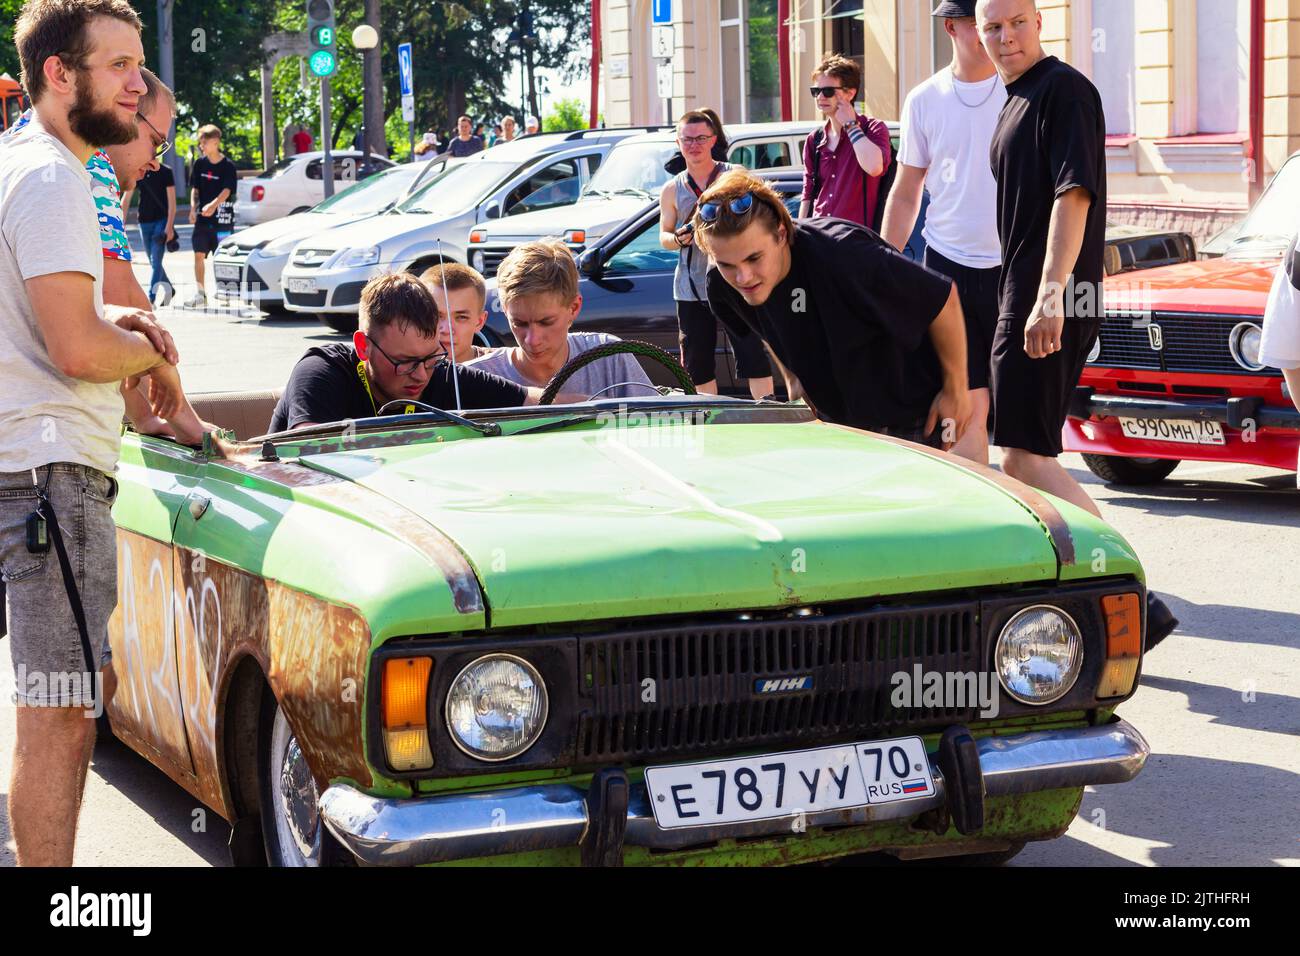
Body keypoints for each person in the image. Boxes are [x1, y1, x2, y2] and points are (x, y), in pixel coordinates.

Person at [2, 0, 184, 868]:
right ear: (58, 75)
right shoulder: (54, 176)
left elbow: (49, 319)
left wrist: (121, 328)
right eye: (116, 65)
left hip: (26, 465)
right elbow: (76, 349)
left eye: (137, 64)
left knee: (55, 700)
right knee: (62, 709)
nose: (135, 83)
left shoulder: (22, 164)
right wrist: (142, 347)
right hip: (48, 476)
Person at [978, 0, 1179, 647]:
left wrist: (1049, 295)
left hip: (1049, 298)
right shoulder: (1013, 100)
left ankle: (1131, 598)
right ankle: (1083, 598)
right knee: (1019, 458)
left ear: (1039, 21)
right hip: (1022, 294)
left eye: (1015, 23)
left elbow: (1075, 195)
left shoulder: (1065, 91)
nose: (1005, 37)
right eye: (993, 27)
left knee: (1026, 458)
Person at [695, 170, 971, 446]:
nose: (744, 277)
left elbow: (943, 298)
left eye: (754, 258)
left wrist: (956, 390)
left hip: (908, 413)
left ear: (780, 233)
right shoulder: (722, 285)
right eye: (727, 265)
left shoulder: (845, 255)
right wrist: (794, 382)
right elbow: (764, 326)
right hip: (836, 420)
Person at [881, 0, 1004, 464]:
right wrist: (883, 261)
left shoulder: (1023, 91)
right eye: (981, 24)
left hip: (1013, 266)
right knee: (967, 404)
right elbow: (908, 189)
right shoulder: (925, 99)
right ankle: (977, 516)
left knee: (1013, 416)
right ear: (952, 27)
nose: (994, 35)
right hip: (948, 266)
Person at [269, 273, 559, 431]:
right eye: (405, 362)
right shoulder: (321, 372)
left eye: (431, 356)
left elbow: (541, 401)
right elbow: (307, 450)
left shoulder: (442, 376)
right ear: (363, 347)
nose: (421, 375)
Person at [658, 107, 773, 399]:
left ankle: (769, 415)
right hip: (691, 288)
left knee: (753, 355)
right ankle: (710, 425)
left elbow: (764, 212)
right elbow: (664, 237)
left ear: (713, 140)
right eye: (687, 140)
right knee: (698, 365)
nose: (694, 145)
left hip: (737, 281)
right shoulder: (672, 189)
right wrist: (679, 239)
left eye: (700, 138)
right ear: (678, 143)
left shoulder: (733, 175)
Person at [467, 239, 657, 400]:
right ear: (505, 310)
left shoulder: (610, 357)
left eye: (546, 322)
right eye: (520, 323)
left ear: (574, 308)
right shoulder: (475, 379)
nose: (532, 340)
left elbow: (656, 427)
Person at [800, 53, 892, 229]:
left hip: (857, 242)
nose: (820, 97)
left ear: (850, 93)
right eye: (816, 91)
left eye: (828, 91)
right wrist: (799, 235)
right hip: (819, 238)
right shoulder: (815, 139)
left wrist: (850, 125)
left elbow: (874, 167)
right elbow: (808, 193)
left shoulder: (873, 129)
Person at [185, 123, 236, 308]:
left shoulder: (228, 166)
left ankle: (226, 291)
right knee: (198, 254)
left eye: (204, 143)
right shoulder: (199, 164)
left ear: (215, 142)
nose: (201, 146)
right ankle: (200, 294)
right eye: (200, 143)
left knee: (222, 256)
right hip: (202, 220)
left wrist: (214, 205)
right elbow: (195, 189)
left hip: (223, 220)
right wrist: (192, 208)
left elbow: (227, 190)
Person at [421, 262, 495, 364]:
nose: (447, 330)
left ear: (479, 322)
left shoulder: (502, 368)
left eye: (461, 317)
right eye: (436, 316)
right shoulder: (401, 373)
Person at [132, 155, 176, 304]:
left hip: (161, 222)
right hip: (143, 222)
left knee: (156, 261)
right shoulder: (139, 171)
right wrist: (119, 223)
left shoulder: (166, 172)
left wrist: (169, 227)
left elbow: (172, 204)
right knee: (153, 262)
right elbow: (126, 198)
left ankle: (150, 298)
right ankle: (169, 288)